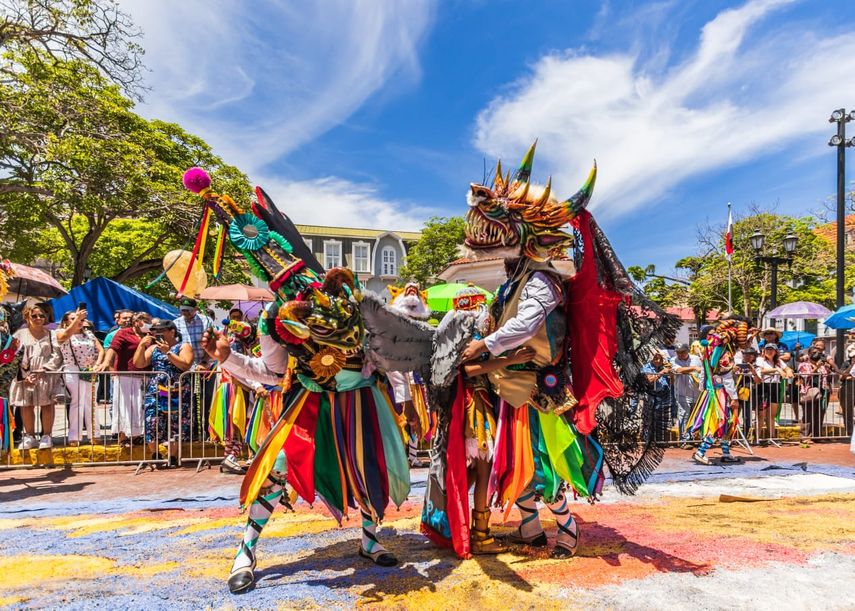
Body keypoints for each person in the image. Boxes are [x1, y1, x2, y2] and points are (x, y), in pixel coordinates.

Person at [456, 144, 673, 559]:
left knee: (544, 467)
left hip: (542, 391)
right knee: (511, 464)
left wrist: (484, 344)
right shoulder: (513, 280)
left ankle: (567, 528)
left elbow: (526, 326)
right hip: (512, 389)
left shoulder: (542, 280)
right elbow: (503, 321)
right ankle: (530, 528)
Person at [132, 319, 193, 462]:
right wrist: (141, 345)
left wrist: (168, 353)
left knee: (175, 422)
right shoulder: (153, 348)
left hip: (177, 389)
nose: (157, 334)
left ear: (172, 332)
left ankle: (172, 456)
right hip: (156, 389)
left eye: (161, 331)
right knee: (152, 420)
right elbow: (139, 363)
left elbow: (185, 365)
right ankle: (155, 454)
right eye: (155, 332)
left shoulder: (183, 346)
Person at [687, 320, 744, 465]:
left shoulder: (709, 352)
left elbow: (705, 374)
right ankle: (701, 451)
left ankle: (725, 453)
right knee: (719, 421)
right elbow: (727, 378)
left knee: (727, 422)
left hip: (713, 392)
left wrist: (704, 388)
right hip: (720, 394)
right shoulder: (722, 353)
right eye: (712, 334)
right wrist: (734, 397)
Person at [10, 304, 63, 450]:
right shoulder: (18, 335)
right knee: (27, 406)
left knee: (47, 405)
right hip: (25, 376)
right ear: (27, 317)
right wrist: (24, 375)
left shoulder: (51, 334)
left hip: (45, 374)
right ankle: (29, 436)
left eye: (42, 315)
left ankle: (47, 436)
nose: (39, 318)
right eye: (34, 315)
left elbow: (57, 355)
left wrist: (44, 369)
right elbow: (14, 358)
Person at [98, 311, 152, 444]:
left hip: (144, 375)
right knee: (124, 406)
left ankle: (138, 435)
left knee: (140, 406)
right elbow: (113, 349)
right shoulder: (123, 333)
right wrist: (106, 362)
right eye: (145, 320)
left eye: (149, 321)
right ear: (136, 322)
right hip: (125, 375)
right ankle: (123, 437)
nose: (148, 324)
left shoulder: (150, 335)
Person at [56, 308, 104, 446]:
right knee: (77, 401)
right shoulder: (61, 333)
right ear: (65, 321)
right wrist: (76, 320)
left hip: (89, 370)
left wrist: (98, 364)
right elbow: (62, 337)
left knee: (92, 401)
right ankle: (74, 436)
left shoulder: (88, 334)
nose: (79, 321)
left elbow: (100, 350)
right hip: (72, 369)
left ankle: (94, 434)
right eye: (73, 318)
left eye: (82, 319)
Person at [755, 342, 793, 441]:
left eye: (772, 349)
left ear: (775, 351)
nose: (769, 351)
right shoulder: (760, 360)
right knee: (761, 414)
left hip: (775, 386)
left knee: (772, 414)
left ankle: (771, 437)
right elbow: (760, 371)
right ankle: (757, 438)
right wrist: (776, 370)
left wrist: (788, 371)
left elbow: (787, 368)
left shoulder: (779, 361)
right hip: (763, 386)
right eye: (767, 349)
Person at [798, 345, 830, 443]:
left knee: (820, 414)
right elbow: (805, 376)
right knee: (808, 415)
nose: (816, 354)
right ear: (809, 354)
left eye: (819, 353)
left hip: (822, 391)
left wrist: (827, 369)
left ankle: (817, 436)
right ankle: (805, 437)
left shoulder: (822, 365)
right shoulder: (803, 364)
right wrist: (816, 367)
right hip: (809, 391)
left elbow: (826, 377)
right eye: (814, 352)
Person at [670, 343, 701, 442]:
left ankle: (695, 437)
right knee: (684, 415)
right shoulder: (673, 360)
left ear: (688, 351)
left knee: (697, 415)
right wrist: (693, 368)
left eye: (682, 352)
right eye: (678, 352)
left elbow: (703, 370)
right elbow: (679, 370)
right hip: (682, 392)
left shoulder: (696, 359)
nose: (680, 354)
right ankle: (685, 439)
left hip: (697, 392)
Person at [642, 351, 674, 442]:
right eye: (656, 358)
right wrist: (662, 372)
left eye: (660, 358)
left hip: (664, 395)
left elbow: (672, 383)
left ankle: (659, 440)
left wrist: (671, 375)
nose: (658, 360)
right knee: (650, 419)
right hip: (651, 395)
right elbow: (649, 380)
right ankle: (648, 440)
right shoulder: (646, 367)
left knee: (662, 419)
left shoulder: (663, 367)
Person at [734, 347, 761, 438]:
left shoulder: (757, 367)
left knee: (747, 416)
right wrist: (734, 370)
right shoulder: (738, 365)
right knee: (734, 414)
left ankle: (745, 436)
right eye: (745, 354)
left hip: (749, 393)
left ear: (754, 356)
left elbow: (758, 381)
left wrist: (753, 371)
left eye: (750, 355)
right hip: (736, 392)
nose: (747, 356)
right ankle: (731, 436)